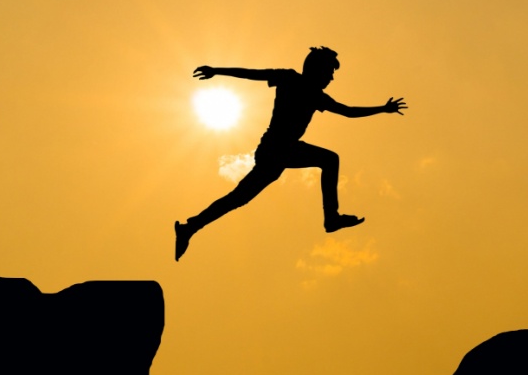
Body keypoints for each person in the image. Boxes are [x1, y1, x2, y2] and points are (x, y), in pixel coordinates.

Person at [174, 46, 407, 261]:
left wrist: (382, 109)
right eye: (329, 72)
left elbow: (348, 112)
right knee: (329, 159)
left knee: (239, 198)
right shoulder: (290, 79)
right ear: (317, 69)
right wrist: (216, 71)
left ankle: (190, 227)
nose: (331, 78)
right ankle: (331, 218)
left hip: (277, 151)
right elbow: (252, 74)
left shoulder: (315, 95)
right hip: (277, 148)